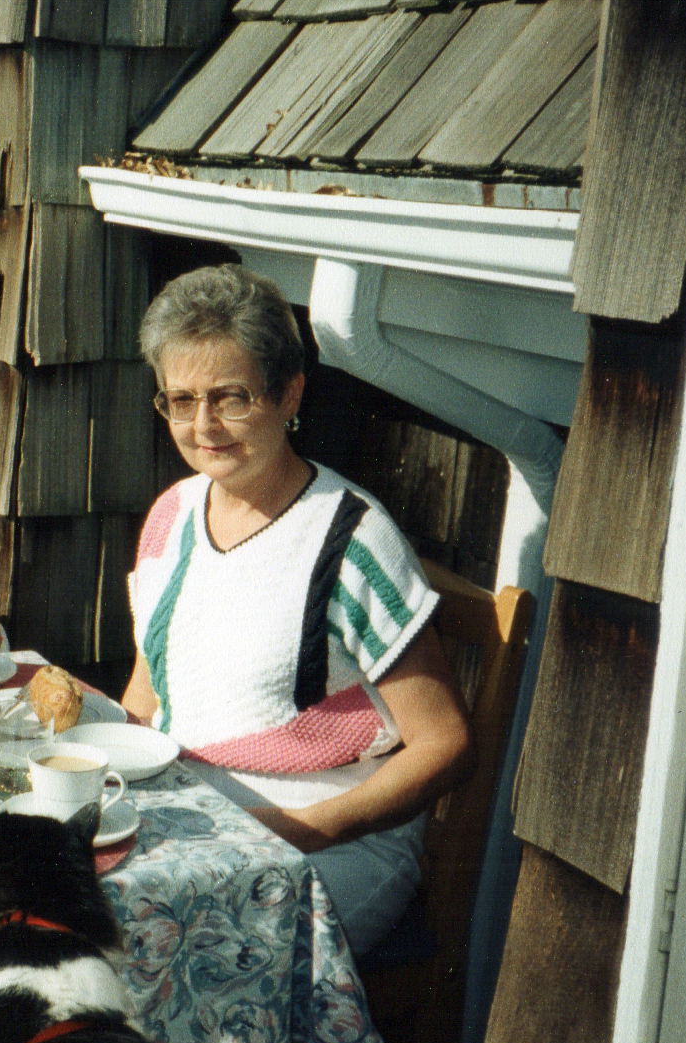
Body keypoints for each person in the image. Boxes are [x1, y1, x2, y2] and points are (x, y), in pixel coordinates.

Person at [120, 264, 473, 954]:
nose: (203, 426)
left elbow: (445, 743)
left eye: (231, 398)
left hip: (330, 841)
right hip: (197, 828)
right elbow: (147, 689)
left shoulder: (350, 540)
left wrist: (303, 829)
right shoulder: (172, 515)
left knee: (179, 962)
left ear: (289, 395)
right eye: (180, 399)